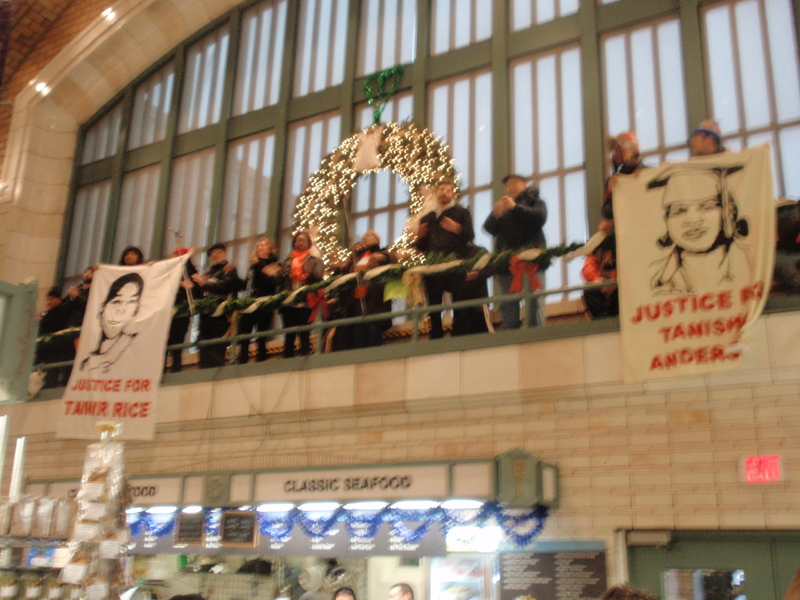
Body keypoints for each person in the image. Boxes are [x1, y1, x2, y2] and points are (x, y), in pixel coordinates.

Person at [648, 164, 750, 295]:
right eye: (680, 210)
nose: (693, 220)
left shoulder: (751, 265)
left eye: (707, 207)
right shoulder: (656, 278)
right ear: (667, 221)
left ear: (728, 214)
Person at [414, 180, 478, 339]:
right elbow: (421, 246)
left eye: (449, 190)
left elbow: (470, 236)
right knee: (434, 304)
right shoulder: (427, 217)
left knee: (459, 300)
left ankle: (459, 334)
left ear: (453, 194)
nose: (445, 192)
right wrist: (419, 236)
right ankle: (435, 335)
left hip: (454, 262)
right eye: (442, 189)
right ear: (436, 192)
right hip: (433, 265)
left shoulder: (461, 212)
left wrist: (457, 229)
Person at [483, 174, 548, 328]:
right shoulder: (502, 206)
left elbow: (539, 218)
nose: (511, 187)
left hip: (532, 262)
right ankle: (510, 336)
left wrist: (515, 208)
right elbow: (488, 229)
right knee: (508, 305)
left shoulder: (535, 201)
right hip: (507, 265)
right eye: (508, 185)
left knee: (534, 302)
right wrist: (495, 215)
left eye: (515, 183)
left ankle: (537, 335)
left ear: (524, 185)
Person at [330, 230, 396, 350]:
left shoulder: (383, 253)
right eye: (364, 236)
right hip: (356, 298)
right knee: (358, 331)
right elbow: (346, 271)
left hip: (374, 298)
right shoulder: (359, 257)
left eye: (370, 235)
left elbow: (392, 261)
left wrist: (381, 257)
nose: (366, 237)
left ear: (378, 240)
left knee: (373, 329)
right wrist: (343, 262)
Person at [81, 272, 143, 373]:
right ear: (102, 307)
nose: (121, 310)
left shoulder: (133, 345)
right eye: (116, 301)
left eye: (131, 302)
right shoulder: (87, 362)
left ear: (136, 309)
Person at [192, 243, 242, 368]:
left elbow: (225, 287)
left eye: (218, 252)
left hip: (221, 314)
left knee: (217, 344)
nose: (214, 255)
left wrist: (204, 284)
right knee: (204, 344)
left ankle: (216, 370)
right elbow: (201, 291)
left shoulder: (229, 269)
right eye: (212, 253)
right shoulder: (208, 271)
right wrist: (192, 286)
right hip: (206, 315)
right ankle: (204, 370)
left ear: (225, 253)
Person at [276, 231, 324, 358]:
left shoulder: (315, 261)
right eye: (297, 240)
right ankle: (288, 360)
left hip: (306, 301)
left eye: (303, 240)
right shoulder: (287, 261)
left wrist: (307, 274)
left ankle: (305, 359)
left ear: (309, 243)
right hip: (289, 302)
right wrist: (279, 273)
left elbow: (318, 278)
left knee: (304, 333)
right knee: (289, 334)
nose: (300, 243)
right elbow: (279, 281)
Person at [236, 237, 280, 363]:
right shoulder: (253, 266)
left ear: (271, 249)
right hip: (250, 302)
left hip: (264, 302)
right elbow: (246, 285)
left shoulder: (273, 264)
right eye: (259, 245)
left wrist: (259, 265)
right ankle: (242, 359)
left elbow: (271, 283)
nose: (260, 247)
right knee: (244, 332)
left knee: (262, 332)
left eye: (264, 245)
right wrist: (234, 277)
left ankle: (261, 358)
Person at [166, 247, 201, 373]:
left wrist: (190, 287)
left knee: (177, 341)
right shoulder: (168, 271)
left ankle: (176, 368)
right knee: (165, 342)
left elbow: (198, 294)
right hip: (168, 310)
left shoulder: (190, 272)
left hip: (182, 310)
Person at [36, 286, 73, 387]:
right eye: (48, 299)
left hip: (57, 346)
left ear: (58, 298)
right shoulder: (49, 312)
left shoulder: (63, 309)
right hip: (47, 345)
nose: (50, 301)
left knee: (52, 369)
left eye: (51, 299)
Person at [581, 236, 618, 318]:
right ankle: (601, 319)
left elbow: (622, 271)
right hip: (600, 289)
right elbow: (588, 269)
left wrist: (612, 283)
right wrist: (596, 279)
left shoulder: (620, 258)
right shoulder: (594, 258)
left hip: (615, 289)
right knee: (588, 289)